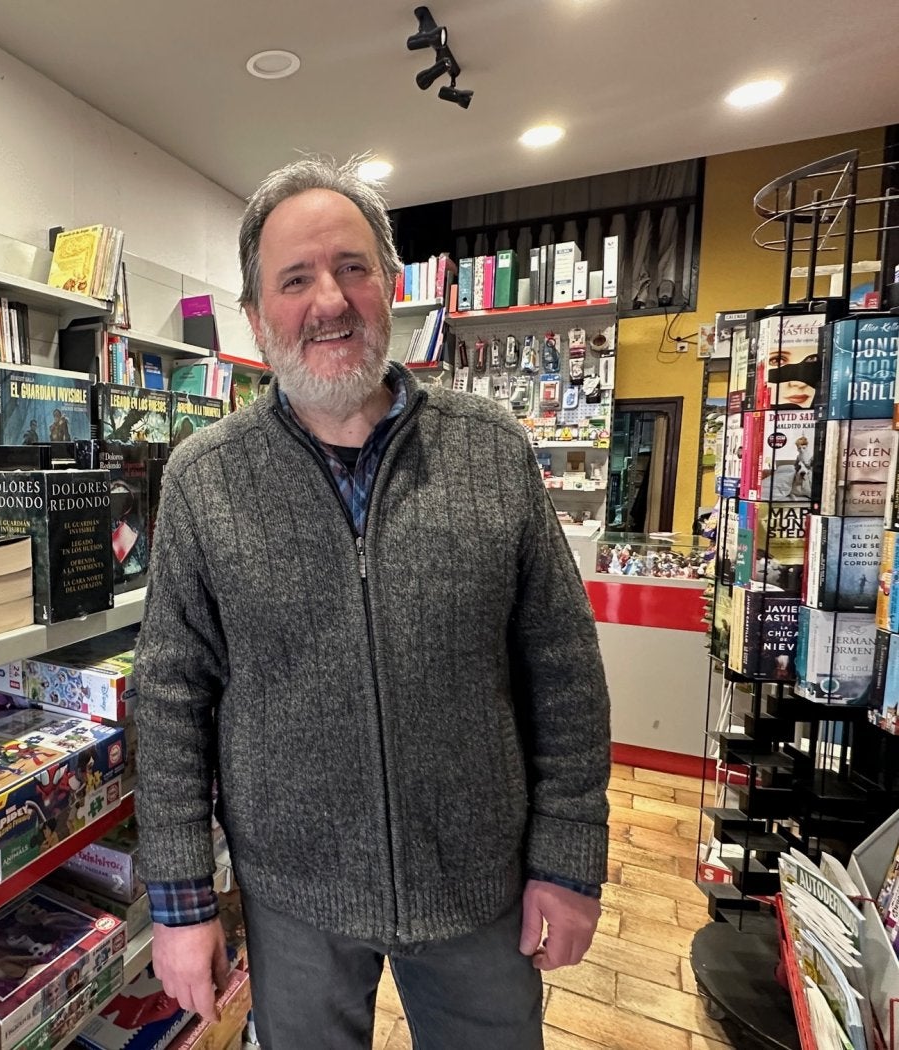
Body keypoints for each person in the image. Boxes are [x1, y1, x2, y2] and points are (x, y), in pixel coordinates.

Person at [134, 156, 610, 1050]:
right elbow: (169, 702)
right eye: (296, 278)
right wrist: (181, 904)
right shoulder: (205, 477)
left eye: (353, 268)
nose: (330, 301)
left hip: (482, 889)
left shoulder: (491, 452)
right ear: (253, 314)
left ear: (392, 289)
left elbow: (564, 671)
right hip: (294, 900)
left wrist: (569, 858)